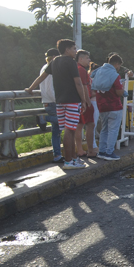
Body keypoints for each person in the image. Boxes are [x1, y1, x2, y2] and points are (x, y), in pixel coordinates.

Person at [25, 39, 90, 170]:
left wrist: (31, 88)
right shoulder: (71, 63)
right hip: (72, 100)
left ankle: (73, 159)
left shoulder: (54, 61)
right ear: (67, 49)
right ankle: (68, 161)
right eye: (73, 48)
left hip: (59, 101)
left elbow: (42, 77)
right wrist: (83, 100)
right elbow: (78, 83)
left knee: (69, 131)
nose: (75, 51)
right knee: (69, 130)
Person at [33, 48, 63, 163]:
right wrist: (58, 99)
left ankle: (57, 155)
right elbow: (51, 88)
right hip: (54, 101)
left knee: (56, 132)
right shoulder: (52, 68)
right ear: (55, 57)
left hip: (47, 101)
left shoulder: (44, 68)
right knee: (64, 122)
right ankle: (44, 118)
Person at [94, 54, 126, 161]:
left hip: (102, 106)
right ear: (116, 64)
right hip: (114, 106)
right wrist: (123, 89)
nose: (118, 68)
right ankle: (109, 152)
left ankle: (101, 151)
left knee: (104, 129)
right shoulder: (114, 75)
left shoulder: (98, 72)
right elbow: (118, 92)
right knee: (113, 130)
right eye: (119, 66)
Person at [74, 50, 98, 159]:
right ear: (81, 59)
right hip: (84, 101)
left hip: (76, 101)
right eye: (87, 58)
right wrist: (87, 102)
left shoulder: (75, 69)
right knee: (90, 125)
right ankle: (91, 150)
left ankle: (79, 150)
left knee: (79, 126)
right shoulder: (82, 70)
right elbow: (84, 87)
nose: (89, 60)